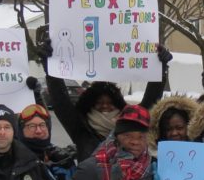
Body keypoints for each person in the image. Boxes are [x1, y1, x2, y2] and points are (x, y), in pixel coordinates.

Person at [39, 39, 172, 162]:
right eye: (99, 103)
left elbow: (150, 101)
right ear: (89, 105)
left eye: (110, 103)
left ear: (118, 105)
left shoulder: (132, 123)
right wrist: (51, 68)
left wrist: (160, 69)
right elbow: (61, 102)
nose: (105, 106)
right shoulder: (81, 130)